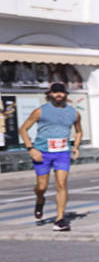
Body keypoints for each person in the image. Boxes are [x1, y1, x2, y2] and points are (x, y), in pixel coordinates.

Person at [18, 82, 82, 231]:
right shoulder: (40, 111)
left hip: (62, 153)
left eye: (61, 92)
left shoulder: (74, 113)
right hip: (42, 153)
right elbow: (23, 129)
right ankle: (40, 199)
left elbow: (78, 131)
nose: (58, 94)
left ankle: (60, 219)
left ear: (66, 94)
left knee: (61, 184)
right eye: (55, 92)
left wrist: (76, 147)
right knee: (42, 187)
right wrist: (31, 149)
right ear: (49, 95)